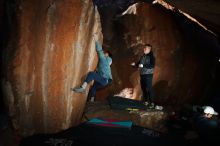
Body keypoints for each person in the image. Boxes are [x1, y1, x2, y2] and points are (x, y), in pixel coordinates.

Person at [71, 35, 113, 102]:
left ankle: (82, 88)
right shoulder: (105, 64)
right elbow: (101, 70)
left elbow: (100, 51)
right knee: (94, 87)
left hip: (105, 79)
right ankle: (92, 100)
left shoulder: (106, 60)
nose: (104, 53)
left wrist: (96, 40)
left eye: (105, 53)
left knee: (91, 74)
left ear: (107, 55)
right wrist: (97, 70)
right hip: (105, 81)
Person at [131, 44, 155, 108]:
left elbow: (152, 66)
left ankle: (152, 103)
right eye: (144, 48)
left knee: (149, 88)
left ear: (149, 49)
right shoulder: (143, 56)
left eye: (146, 48)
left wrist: (143, 66)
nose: (144, 49)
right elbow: (139, 64)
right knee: (143, 88)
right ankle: (146, 101)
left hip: (148, 75)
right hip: (142, 74)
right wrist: (135, 65)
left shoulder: (151, 57)